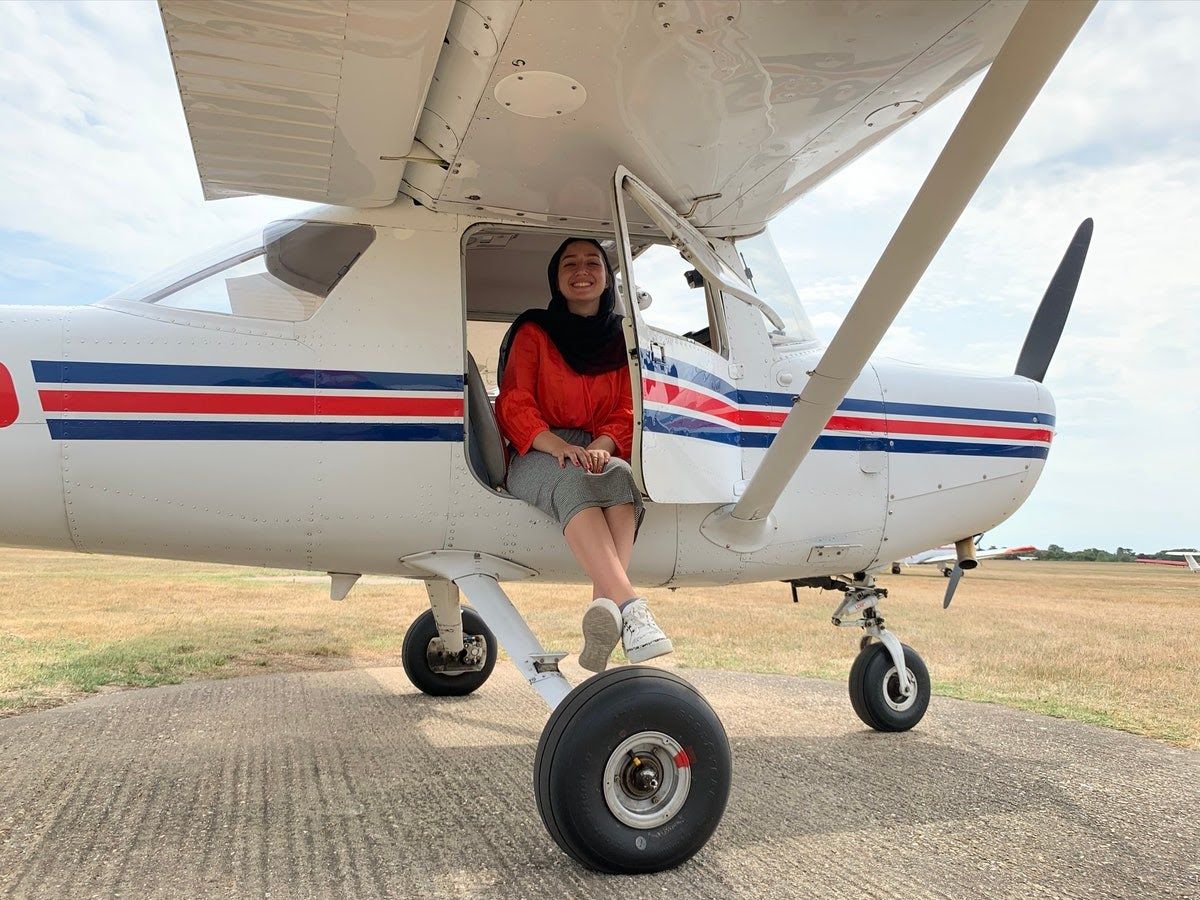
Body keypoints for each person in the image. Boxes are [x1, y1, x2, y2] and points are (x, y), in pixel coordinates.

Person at [495, 237, 672, 673]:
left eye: (592, 262)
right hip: (538, 447)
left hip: (596, 445)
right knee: (575, 478)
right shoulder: (534, 330)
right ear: (556, 279)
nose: (581, 271)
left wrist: (602, 446)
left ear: (607, 277)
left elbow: (626, 408)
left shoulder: (622, 339)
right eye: (569, 264)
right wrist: (558, 445)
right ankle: (630, 608)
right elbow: (514, 399)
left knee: (620, 476)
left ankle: (605, 611)